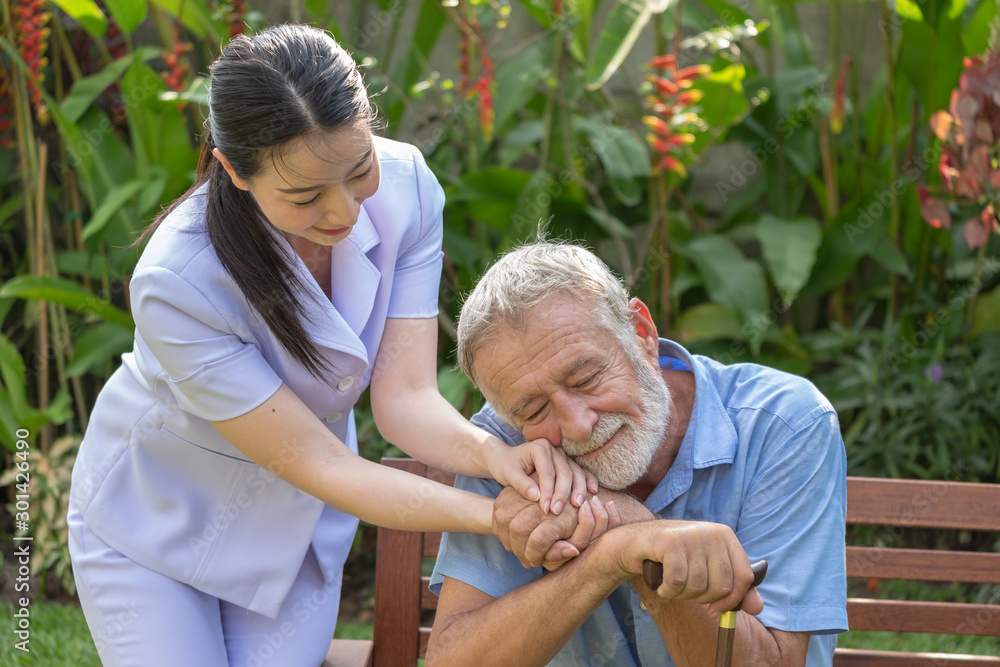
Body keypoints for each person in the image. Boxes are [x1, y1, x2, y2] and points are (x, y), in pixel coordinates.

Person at [67, 26, 594, 667]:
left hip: (296, 532)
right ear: (234, 170)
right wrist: (498, 517)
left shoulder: (407, 188)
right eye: (305, 195)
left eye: (359, 169)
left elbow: (404, 399)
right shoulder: (175, 281)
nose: (344, 211)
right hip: (158, 523)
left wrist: (497, 459)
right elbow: (325, 465)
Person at [427, 242, 848, 666]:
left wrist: (638, 536)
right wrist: (615, 553)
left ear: (642, 335)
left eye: (587, 377)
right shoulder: (505, 449)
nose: (577, 425)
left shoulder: (785, 422)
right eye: (536, 411)